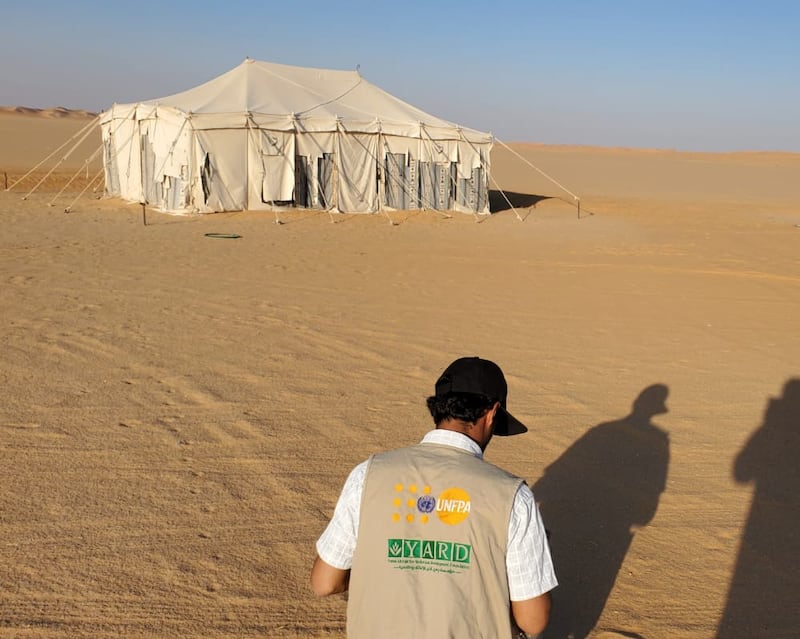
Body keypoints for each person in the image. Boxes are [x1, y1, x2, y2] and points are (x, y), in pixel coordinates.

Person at [311, 356, 557, 638]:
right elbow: (533, 621)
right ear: (492, 413)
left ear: (439, 409)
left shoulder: (366, 475)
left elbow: (324, 584)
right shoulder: (515, 498)